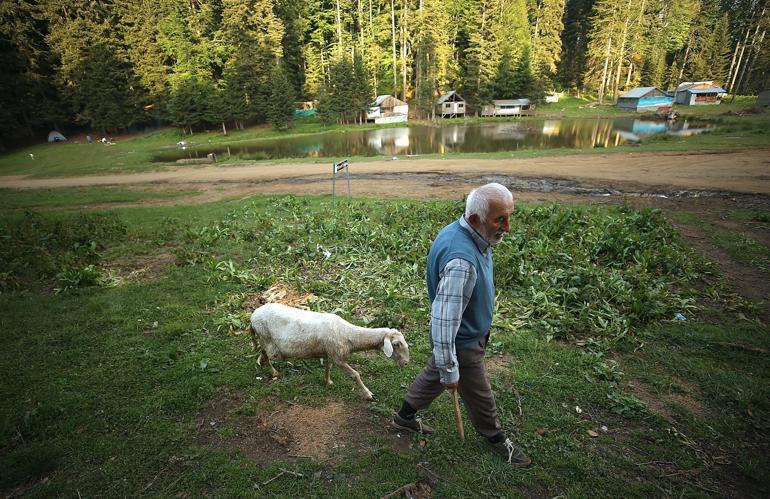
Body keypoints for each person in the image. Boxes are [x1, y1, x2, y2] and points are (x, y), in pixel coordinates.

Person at [392, 182, 531, 467]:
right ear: (474, 219)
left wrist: (444, 367)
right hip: (464, 342)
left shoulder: (464, 232)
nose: (507, 227)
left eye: (509, 217)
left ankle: (404, 417)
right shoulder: (461, 262)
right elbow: (443, 323)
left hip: (464, 336)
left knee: (434, 375)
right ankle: (495, 438)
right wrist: (451, 367)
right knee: (479, 394)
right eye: (500, 220)